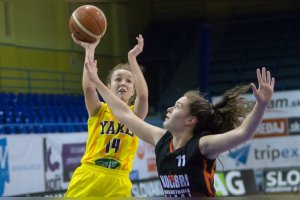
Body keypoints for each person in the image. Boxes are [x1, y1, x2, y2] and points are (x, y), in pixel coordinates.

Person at [84, 54, 275, 197]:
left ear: (189, 120)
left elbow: (243, 133)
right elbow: (124, 114)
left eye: (177, 106)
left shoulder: (202, 146)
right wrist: (97, 82)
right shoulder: (161, 139)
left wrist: (261, 105)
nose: (169, 108)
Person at [65, 34, 148, 197]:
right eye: (118, 79)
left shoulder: (136, 115)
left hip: (119, 180)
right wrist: (90, 49)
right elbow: (89, 88)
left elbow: (144, 96)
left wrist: (132, 58)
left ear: (133, 91)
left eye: (129, 81)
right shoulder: (99, 109)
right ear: (108, 86)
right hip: (89, 174)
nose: (123, 83)